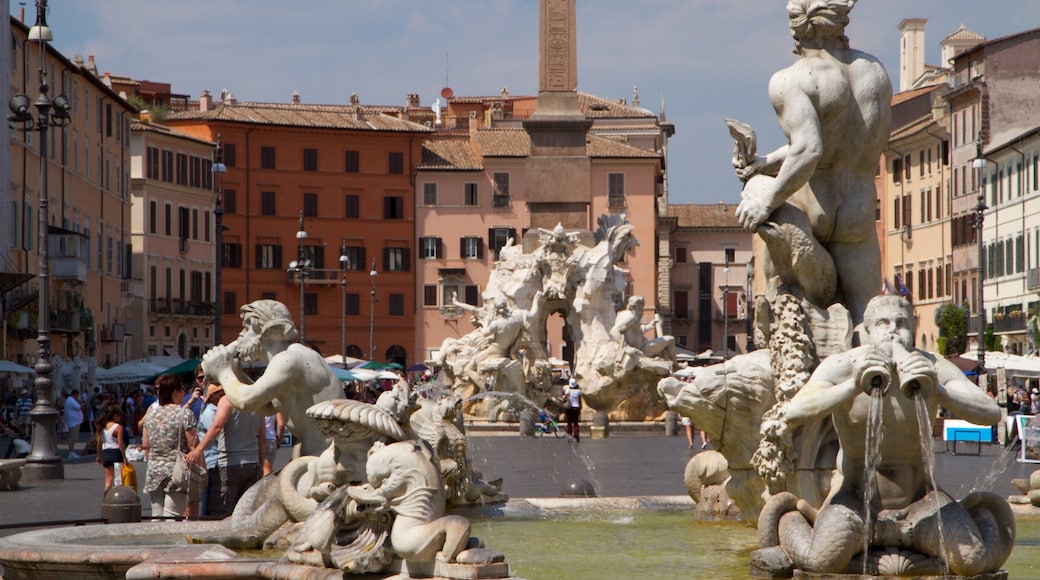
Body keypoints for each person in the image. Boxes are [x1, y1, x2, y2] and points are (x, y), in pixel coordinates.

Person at [769, 295, 1008, 574]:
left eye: (902, 323)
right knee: (821, 561)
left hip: (922, 503)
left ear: (913, 330)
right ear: (868, 331)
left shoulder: (931, 365)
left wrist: (940, 391)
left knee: (972, 562)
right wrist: (852, 386)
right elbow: (795, 411)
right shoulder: (844, 364)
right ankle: (791, 519)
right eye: (883, 323)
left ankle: (975, 517)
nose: (893, 330)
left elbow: (990, 412)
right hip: (857, 501)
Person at [732, 0, 892, 327]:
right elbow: (840, 141)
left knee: (788, 316)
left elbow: (808, 150)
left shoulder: (791, 80)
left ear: (796, 28)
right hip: (858, 211)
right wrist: (764, 162)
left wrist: (766, 200)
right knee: (867, 324)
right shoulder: (875, 73)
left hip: (811, 210)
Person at [202, 299, 343, 457]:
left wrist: (223, 372)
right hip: (322, 452)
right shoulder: (294, 357)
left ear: (269, 331)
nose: (240, 336)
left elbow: (246, 401)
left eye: (247, 328)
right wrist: (237, 373)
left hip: (328, 456)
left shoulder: (288, 359)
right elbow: (266, 406)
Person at [184, 378, 265, 519]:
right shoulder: (257, 403)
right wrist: (261, 464)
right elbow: (262, 439)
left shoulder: (227, 401)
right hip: (253, 464)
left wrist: (198, 450)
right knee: (248, 514)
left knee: (222, 513)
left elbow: (217, 426)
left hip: (229, 465)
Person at [142, 373, 198, 519]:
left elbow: (145, 444)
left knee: (157, 516)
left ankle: (156, 541)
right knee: (172, 516)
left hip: (154, 470)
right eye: (182, 389)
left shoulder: (150, 415)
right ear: (175, 391)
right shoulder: (185, 414)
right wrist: (201, 469)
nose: (184, 393)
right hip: (176, 471)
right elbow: (193, 445)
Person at [610, 296, 676, 361]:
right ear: (635, 307)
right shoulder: (631, 318)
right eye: (641, 308)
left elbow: (637, 331)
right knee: (671, 339)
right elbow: (614, 331)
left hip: (642, 345)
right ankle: (676, 365)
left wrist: (650, 326)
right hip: (644, 349)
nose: (642, 312)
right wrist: (626, 347)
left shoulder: (623, 314)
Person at [94, 406, 125, 493]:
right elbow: (120, 443)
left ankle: (107, 493)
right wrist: (124, 457)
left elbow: (99, 443)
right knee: (119, 479)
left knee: (108, 478)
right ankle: (118, 497)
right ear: (115, 416)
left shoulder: (102, 427)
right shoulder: (118, 427)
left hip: (106, 453)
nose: (120, 418)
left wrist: (98, 456)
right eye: (119, 416)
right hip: (116, 453)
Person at [262, 412, 285, 476]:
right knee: (267, 470)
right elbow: (281, 425)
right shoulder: (275, 409)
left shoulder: (257, 407)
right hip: (271, 438)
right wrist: (279, 441)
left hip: (258, 439)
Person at [64, 389, 84, 458]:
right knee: (72, 438)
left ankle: (72, 451)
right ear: (75, 394)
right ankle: (71, 452)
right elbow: (79, 407)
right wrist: (82, 403)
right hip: (74, 422)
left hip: (73, 421)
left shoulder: (69, 400)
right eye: (77, 395)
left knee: (73, 438)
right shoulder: (71, 400)